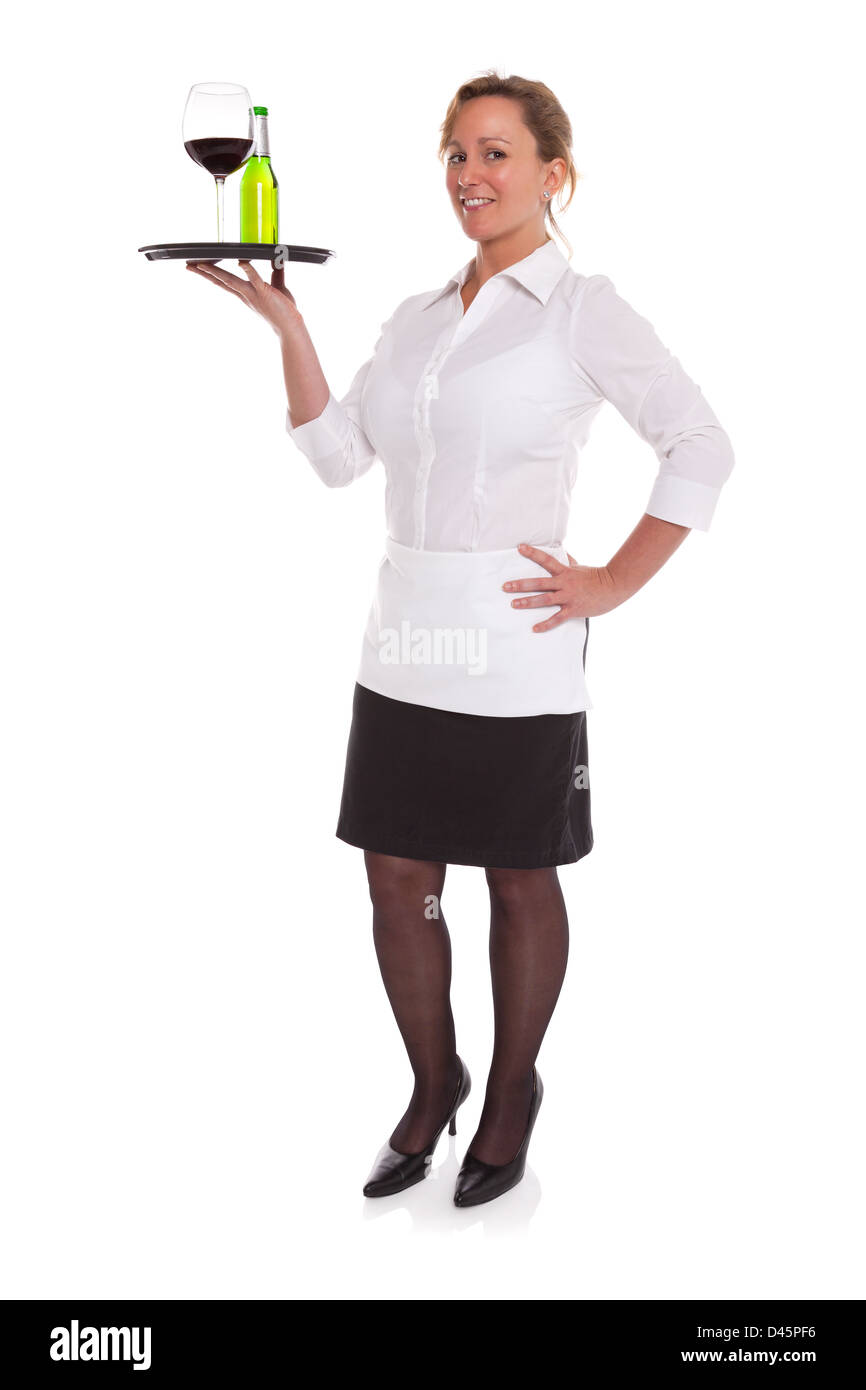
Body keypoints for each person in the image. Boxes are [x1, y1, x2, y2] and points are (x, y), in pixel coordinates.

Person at [186, 71, 735, 1208]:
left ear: (551, 173)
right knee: (400, 880)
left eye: (495, 154)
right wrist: (288, 325)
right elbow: (340, 459)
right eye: (456, 156)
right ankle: (434, 1082)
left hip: (515, 645)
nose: (470, 177)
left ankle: (511, 1090)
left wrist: (612, 582)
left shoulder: (583, 310)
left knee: (515, 877)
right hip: (402, 640)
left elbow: (698, 444)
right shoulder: (417, 317)